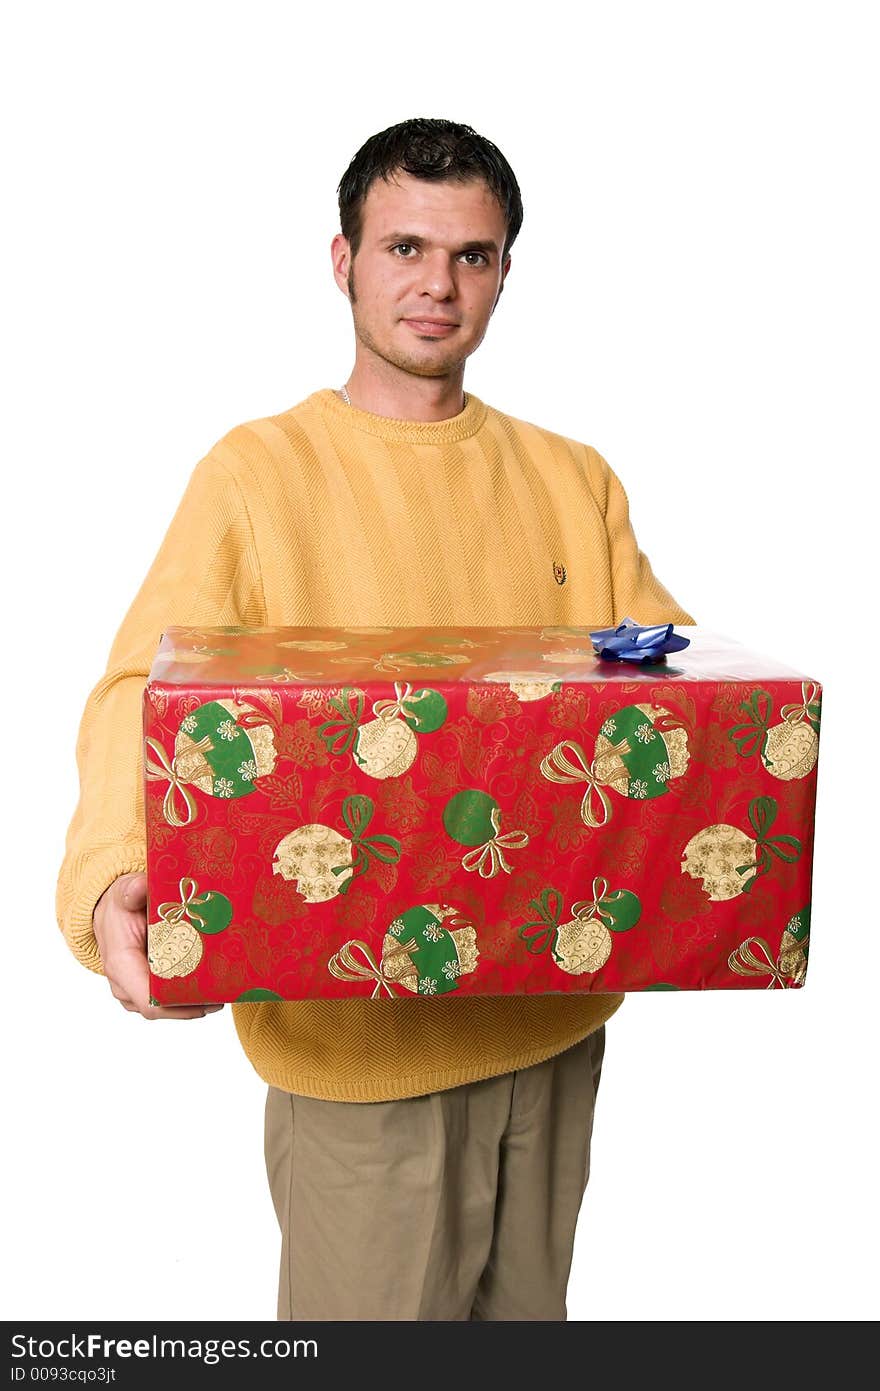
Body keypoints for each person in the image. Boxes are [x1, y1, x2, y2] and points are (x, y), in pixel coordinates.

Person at [56, 117, 695, 1322]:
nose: (436, 284)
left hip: (552, 1029)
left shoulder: (574, 478)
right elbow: (143, 688)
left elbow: (666, 699)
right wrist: (113, 875)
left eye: (472, 254)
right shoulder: (258, 472)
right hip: (356, 1053)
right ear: (341, 260)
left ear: (506, 270)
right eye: (404, 245)